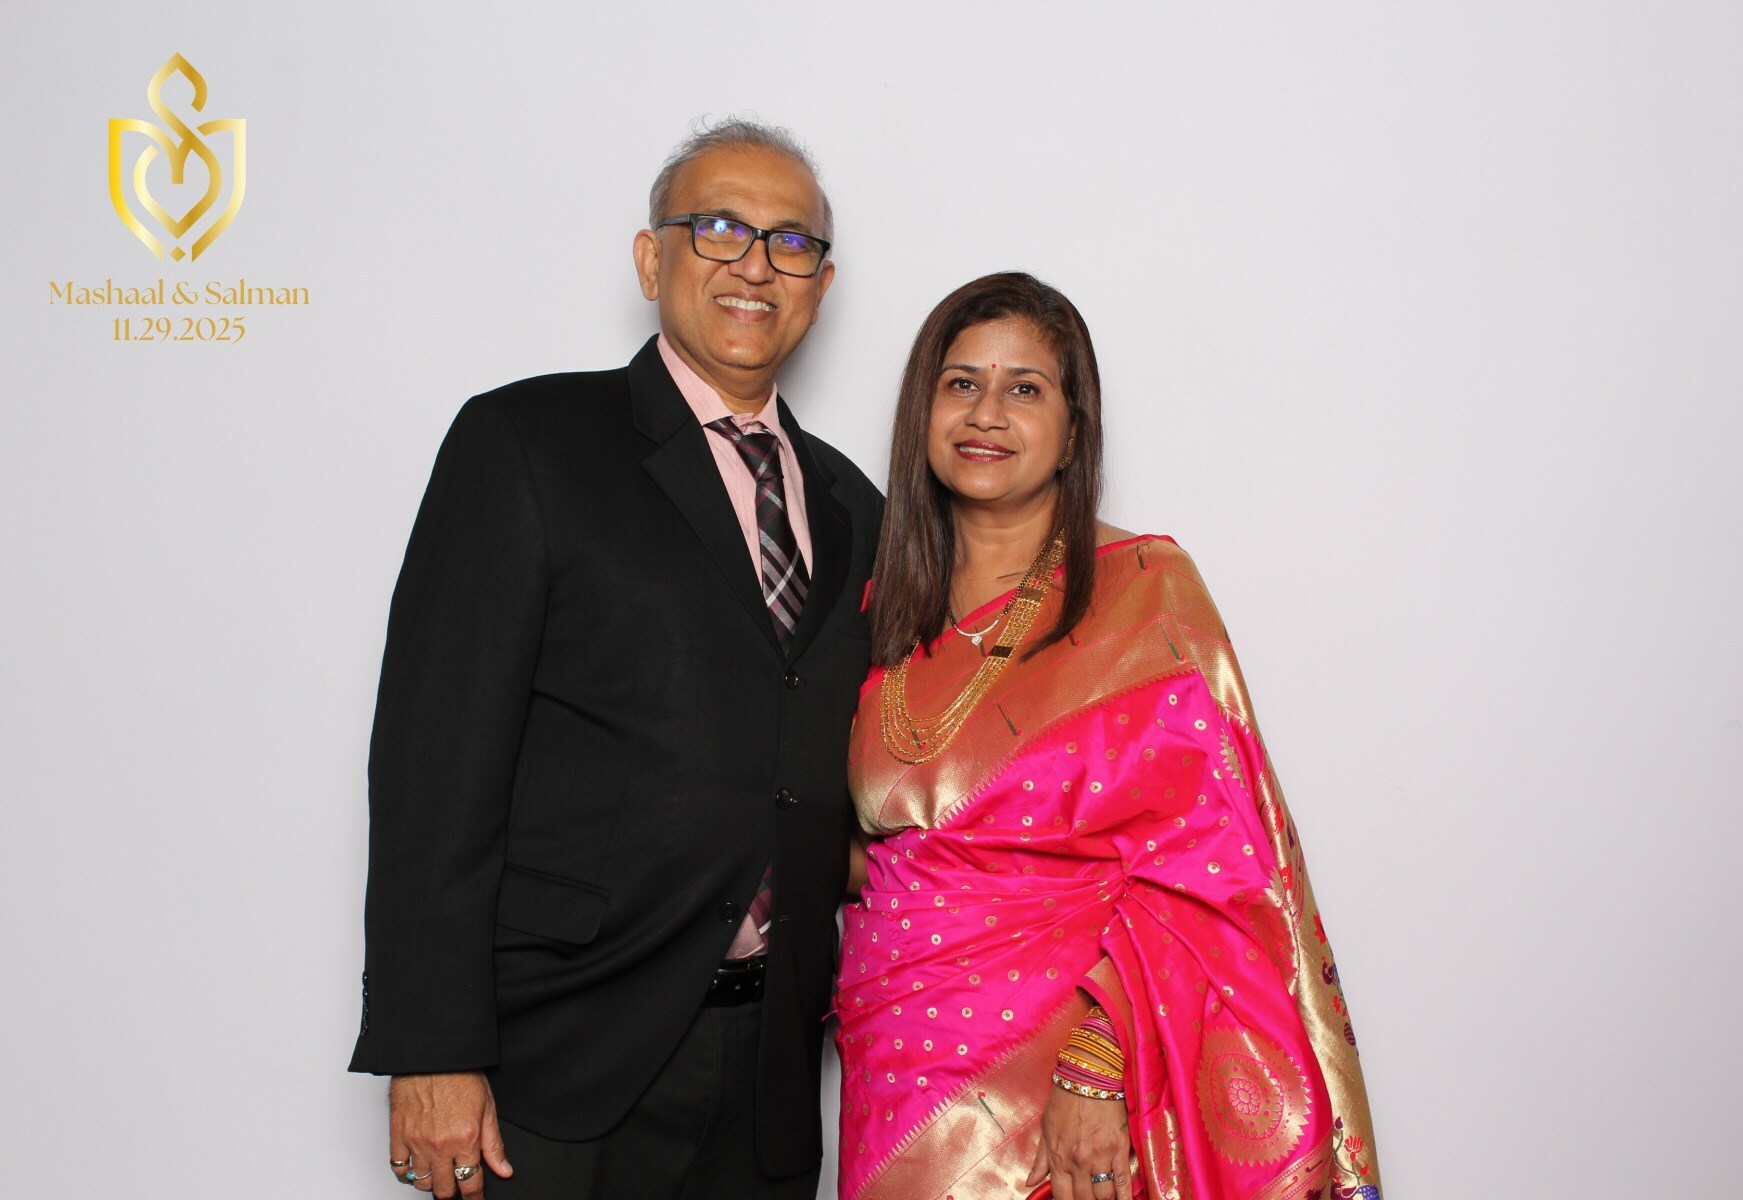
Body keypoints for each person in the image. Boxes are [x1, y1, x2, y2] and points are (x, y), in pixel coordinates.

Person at [349, 120, 883, 1200]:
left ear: (821, 287)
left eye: (791, 243)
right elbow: (434, 762)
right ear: (651, 259)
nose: (755, 265)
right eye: (719, 227)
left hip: (771, 1073)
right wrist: (431, 1045)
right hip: (560, 1062)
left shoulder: (856, 508)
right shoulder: (527, 443)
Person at [834, 273, 1381, 1200]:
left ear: (1074, 427)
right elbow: (878, 848)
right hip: (896, 1066)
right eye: (961, 383)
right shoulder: (875, 605)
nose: (986, 414)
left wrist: (1097, 1061)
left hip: (1064, 1079)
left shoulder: (1144, 596)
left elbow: (1221, 867)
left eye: (1024, 388)